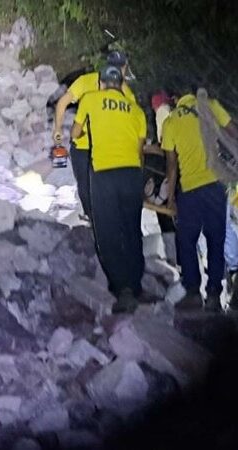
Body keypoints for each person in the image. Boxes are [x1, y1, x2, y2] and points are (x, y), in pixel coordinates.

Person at [71, 65, 147, 314]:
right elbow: (139, 148)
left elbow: (76, 132)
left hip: (104, 173)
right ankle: (136, 284)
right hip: (132, 173)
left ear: (102, 83)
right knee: (132, 229)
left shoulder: (91, 99)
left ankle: (123, 288)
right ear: (121, 85)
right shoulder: (136, 111)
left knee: (107, 232)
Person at [162, 89, 238, 311]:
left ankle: (192, 292)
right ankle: (214, 295)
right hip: (215, 184)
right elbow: (234, 132)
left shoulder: (170, 122)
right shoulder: (210, 105)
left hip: (189, 190)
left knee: (186, 241)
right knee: (215, 240)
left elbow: (171, 165)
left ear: (174, 99)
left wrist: (171, 198)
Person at [52, 51, 136, 220]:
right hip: (104, 149)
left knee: (86, 187)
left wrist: (58, 129)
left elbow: (62, 103)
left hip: (86, 147)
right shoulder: (126, 94)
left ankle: (94, 221)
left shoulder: (86, 81)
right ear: (124, 68)